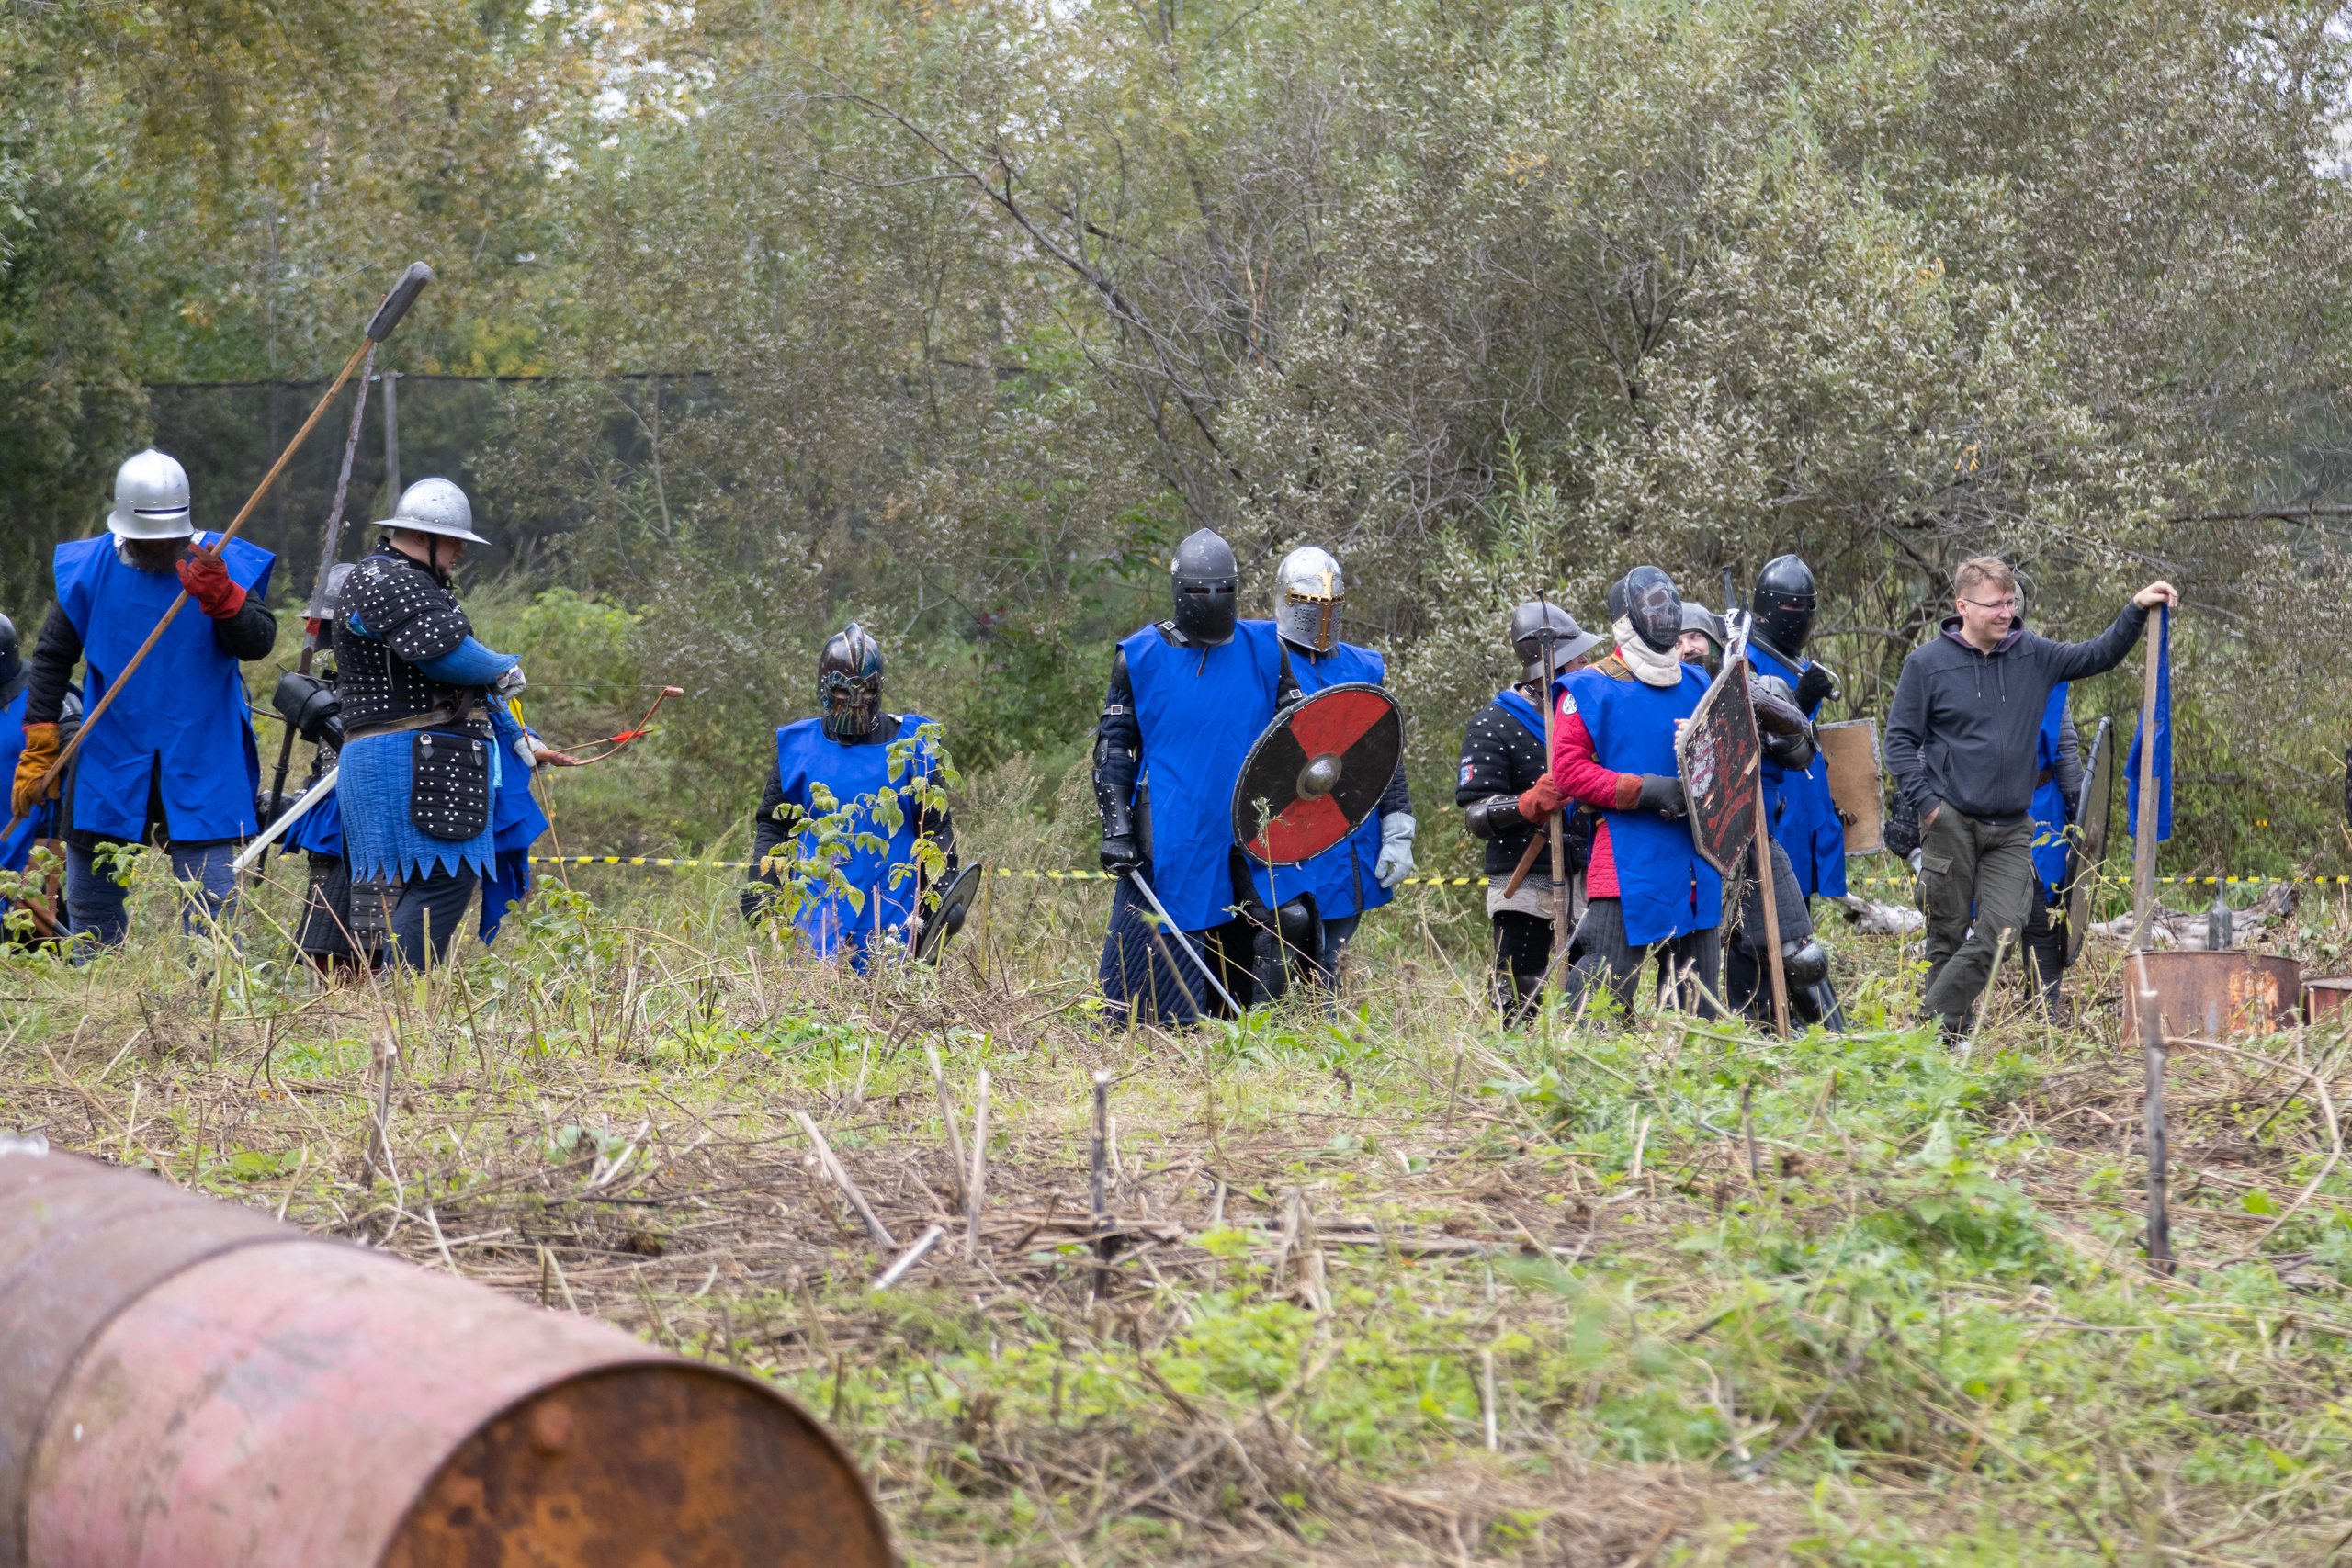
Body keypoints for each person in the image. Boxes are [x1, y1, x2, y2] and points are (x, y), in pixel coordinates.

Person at [1886, 556, 2177, 1043]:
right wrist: (1930, 807)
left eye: (2010, 602)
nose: (2007, 612)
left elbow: (2097, 655)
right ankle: (1944, 1046)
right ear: (1963, 606)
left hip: (2010, 826)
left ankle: (1923, 1027)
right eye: (1996, 604)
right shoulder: (1927, 665)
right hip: (1950, 821)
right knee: (1946, 936)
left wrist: (2134, 609)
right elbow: (1898, 741)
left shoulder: (2033, 654)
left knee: (2001, 930)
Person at [12, 450, 277, 949]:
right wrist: (41, 736)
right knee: (91, 904)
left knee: (212, 907)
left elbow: (258, 643)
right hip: (111, 749)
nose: (158, 549)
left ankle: (214, 1008)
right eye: (146, 540)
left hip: (201, 749)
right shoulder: (89, 568)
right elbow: (51, 658)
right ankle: (95, 998)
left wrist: (224, 598)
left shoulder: (220, 562)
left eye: (166, 538)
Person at [1093, 528, 1287, 1024]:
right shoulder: (1139, 657)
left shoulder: (1266, 649)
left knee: (1256, 953)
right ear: (1181, 592)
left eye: (1224, 589)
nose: (1214, 600)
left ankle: (1245, 1044)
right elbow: (1116, 745)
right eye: (1202, 590)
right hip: (1170, 829)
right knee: (1151, 977)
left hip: (1246, 831)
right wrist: (1116, 829)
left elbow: (1295, 736)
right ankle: (1157, 1046)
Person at [332, 478, 526, 968]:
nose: (460, 552)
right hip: (415, 757)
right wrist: (503, 665)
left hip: (406, 755)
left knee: (418, 884)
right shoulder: (390, 577)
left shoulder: (394, 577)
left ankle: (389, 1006)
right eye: (455, 541)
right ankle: (399, 1003)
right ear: (423, 536)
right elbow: (447, 658)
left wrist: (523, 738)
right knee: (446, 878)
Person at [1238, 546, 1416, 997]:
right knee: (1282, 941)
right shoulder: (1260, 658)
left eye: (1330, 606)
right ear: (1286, 599)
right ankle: (1268, 1037)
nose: (1320, 617)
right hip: (1284, 824)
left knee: (1331, 958)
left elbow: (1382, 756)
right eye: (1309, 605)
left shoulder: (1360, 667)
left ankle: (1319, 1036)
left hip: (1347, 826)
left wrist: (1398, 827)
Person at [1546, 567, 1724, 1019]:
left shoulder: (1699, 682)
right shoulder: (1586, 688)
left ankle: (1693, 1081)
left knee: (1696, 1000)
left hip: (1694, 858)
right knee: (1601, 993)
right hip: (1626, 855)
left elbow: (1725, 757)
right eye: (1654, 607)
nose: (1665, 616)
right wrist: (1644, 789)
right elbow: (1567, 772)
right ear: (1629, 617)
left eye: (1669, 606)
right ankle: (1571, 1074)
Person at [742, 624, 956, 970]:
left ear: (878, 689)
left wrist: (944, 888)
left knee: (891, 1009)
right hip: (817, 912)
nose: (856, 703)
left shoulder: (916, 743)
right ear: (826, 690)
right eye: (844, 694)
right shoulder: (798, 747)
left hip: (895, 913)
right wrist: (762, 880)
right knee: (814, 1014)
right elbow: (774, 825)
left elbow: (935, 826)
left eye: (867, 693)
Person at [1459, 600, 1603, 1018]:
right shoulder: (1493, 723)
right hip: (1525, 882)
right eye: (1579, 657)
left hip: (1587, 877)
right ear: (1551, 664)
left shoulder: (1590, 714)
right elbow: (1476, 815)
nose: (1587, 663)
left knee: (1591, 993)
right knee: (1522, 995)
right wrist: (1527, 803)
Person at [2021, 681, 2084, 1018]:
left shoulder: (2046, 673)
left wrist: (2079, 817)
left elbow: (2066, 749)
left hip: (2042, 805)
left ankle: (2042, 1012)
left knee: (2044, 910)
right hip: (1980, 806)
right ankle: (1954, 1020)